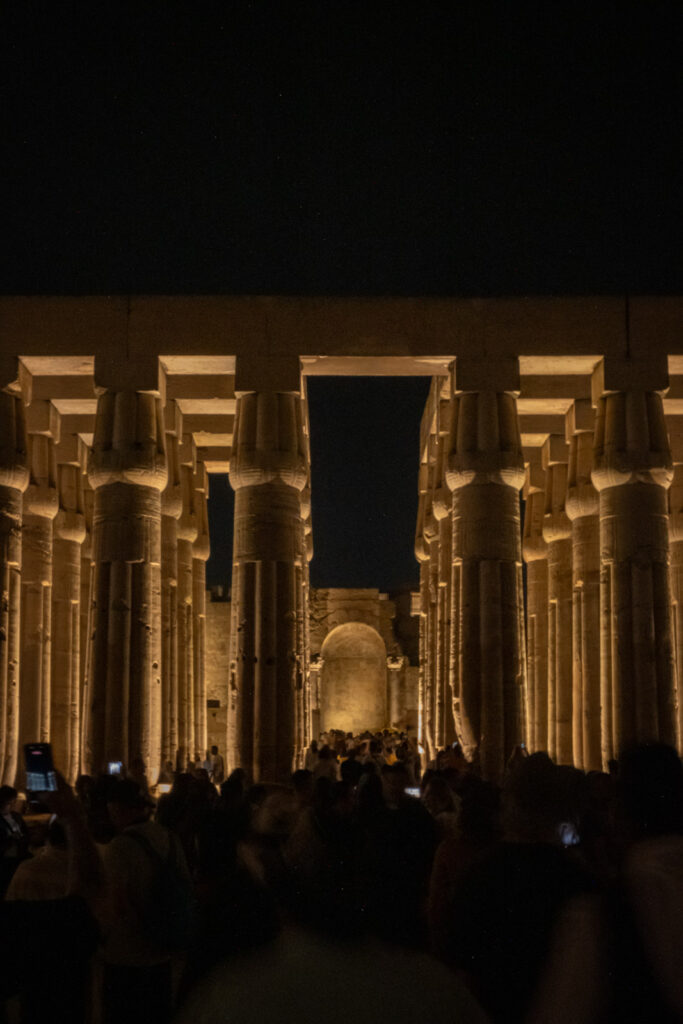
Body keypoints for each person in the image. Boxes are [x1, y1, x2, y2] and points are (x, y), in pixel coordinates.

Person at [100, 777, 191, 1024]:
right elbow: (185, 883)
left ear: (117, 809)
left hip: (127, 955)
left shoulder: (119, 847)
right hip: (163, 953)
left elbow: (118, 905)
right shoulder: (169, 837)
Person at [0, 784, 30, 896]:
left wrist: (22, 838)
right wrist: (11, 839)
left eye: (14, 802)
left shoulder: (16, 816)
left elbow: (26, 833)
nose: (13, 805)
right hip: (5, 859)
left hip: (19, 856)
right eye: (10, 803)